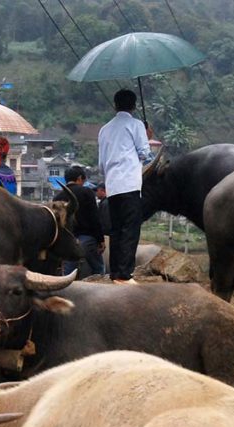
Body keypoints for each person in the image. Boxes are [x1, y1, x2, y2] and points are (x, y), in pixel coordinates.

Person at [98, 89, 152, 284]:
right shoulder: (136, 125)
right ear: (134, 106)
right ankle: (124, 274)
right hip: (129, 184)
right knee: (130, 229)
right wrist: (146, 136)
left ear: (115, 105)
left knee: (116, 230)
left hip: (112, 186)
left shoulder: (104, 129)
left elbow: (101, 164)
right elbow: (144, 153)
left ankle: (114, 273)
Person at [56, 166, 105, 278]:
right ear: (79, 178)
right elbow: (94, 217)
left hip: (67, 240)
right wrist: (100, 239)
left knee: (68, 272)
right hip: (87, 239)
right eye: (83, 180)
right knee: (98, 268)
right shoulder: (86, 192)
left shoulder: (58, 197)